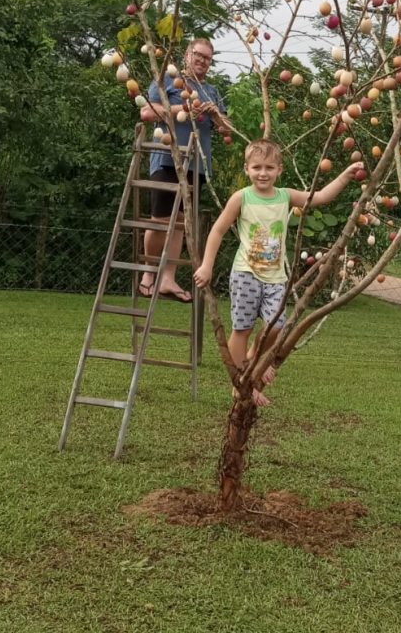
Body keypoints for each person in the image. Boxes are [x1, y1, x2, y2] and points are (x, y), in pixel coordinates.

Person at [194, 138, 363, 405]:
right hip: (246, 274)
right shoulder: (242, 197)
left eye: (269, 167)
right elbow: (217, 230)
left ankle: (256, 359)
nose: (263, 173)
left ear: (279, 170)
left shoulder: (285, 196)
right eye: (257, 167)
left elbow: (318, 198)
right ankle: (240, 384)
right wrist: (207, 265)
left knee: (277, 326)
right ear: (247, 169)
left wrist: (344, 176)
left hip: (276, 278)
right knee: (242, 328)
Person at [140, 38, 231, 302]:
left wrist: (215, 116)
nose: (202, 61)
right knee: (159, 219)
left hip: (197, 164)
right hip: (168, 158)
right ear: (187, 55)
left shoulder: (211, 91)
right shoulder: (168, 79)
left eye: (207, 59)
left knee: (182, 224)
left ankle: (168, 279)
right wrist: (185, 108)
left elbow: (227, 129)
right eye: (198, 56)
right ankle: (148, 273)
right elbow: (147, 113)